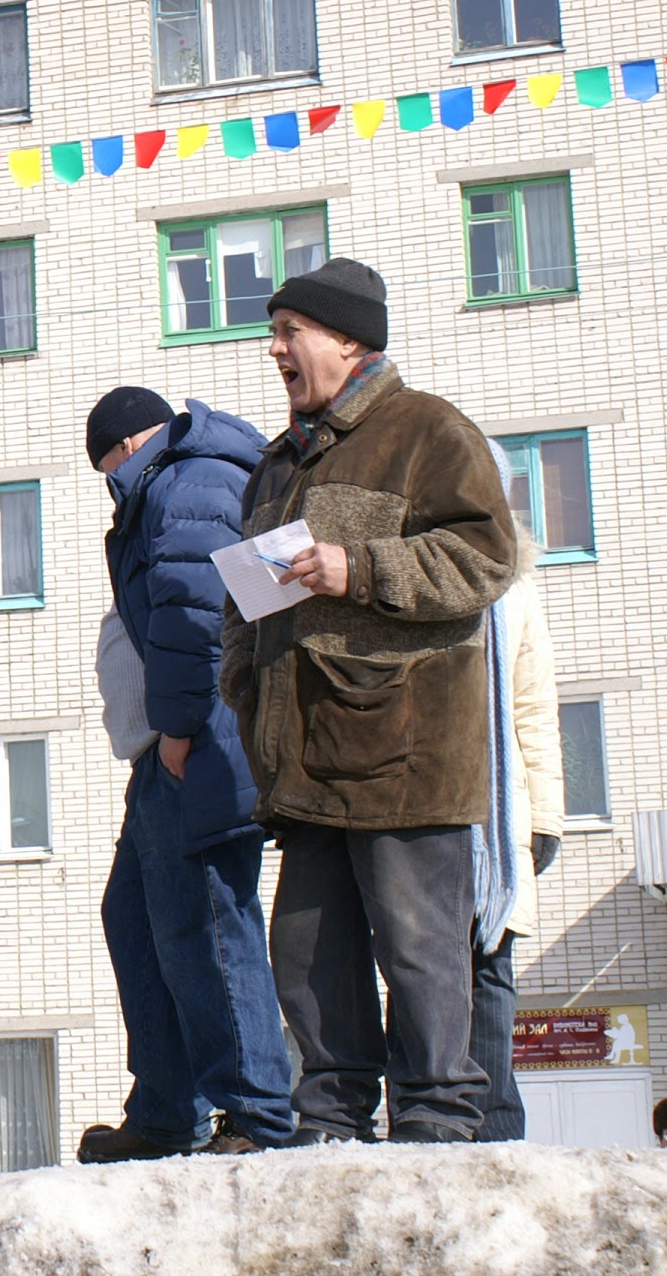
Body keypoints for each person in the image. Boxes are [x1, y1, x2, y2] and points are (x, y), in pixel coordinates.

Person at [220, 258, 519, 1145]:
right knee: (309, 958)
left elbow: (485, 559)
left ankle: (436, 1123)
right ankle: (329, 1125)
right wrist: (242, 683)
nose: (274, 349)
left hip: (404, 759)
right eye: (273, 333)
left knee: (421, 953)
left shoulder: (429, 430)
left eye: (289, 332)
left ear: (348, 341)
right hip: (304, 763)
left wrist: (360, 568)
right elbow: (247, 600)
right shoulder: (278, 462)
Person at [77, 388, 295, 1162]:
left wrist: (180, 726)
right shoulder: (187, 479)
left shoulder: (186, 482)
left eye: (108, 468)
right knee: (136, 918)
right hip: (173, 747)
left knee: (206, 924)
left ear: (127, 446)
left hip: (196, 741)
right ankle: (167, 1110)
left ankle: (257, 1112)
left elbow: (195, 613)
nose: (111, 485)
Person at [461, 445, 566, 1144]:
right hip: (428, 807)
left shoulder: (517, 587)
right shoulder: (420, 570)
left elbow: (533, 706)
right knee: (424, 972)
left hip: (498, 819)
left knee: (491, 968)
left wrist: (547, 817)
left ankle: (498, 1128)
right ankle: (432, 1116)